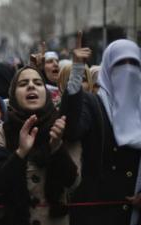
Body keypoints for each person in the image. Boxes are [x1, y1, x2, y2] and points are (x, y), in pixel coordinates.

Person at [0, 66, 80, 225]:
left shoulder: (61, 127)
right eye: (23, 84)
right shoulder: (0, 132)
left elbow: (73, 183)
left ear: (46, 92)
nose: (31, 86)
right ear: (13, 95)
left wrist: (56, 149)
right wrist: (20, 153)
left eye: (37, 83)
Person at [66, 38, 141, 225]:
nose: (128, 70)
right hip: (98, 213)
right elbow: (71, 129)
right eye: (120, 64)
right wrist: (76, 71)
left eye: (134, 63)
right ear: (107, 68)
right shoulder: (92, 104)